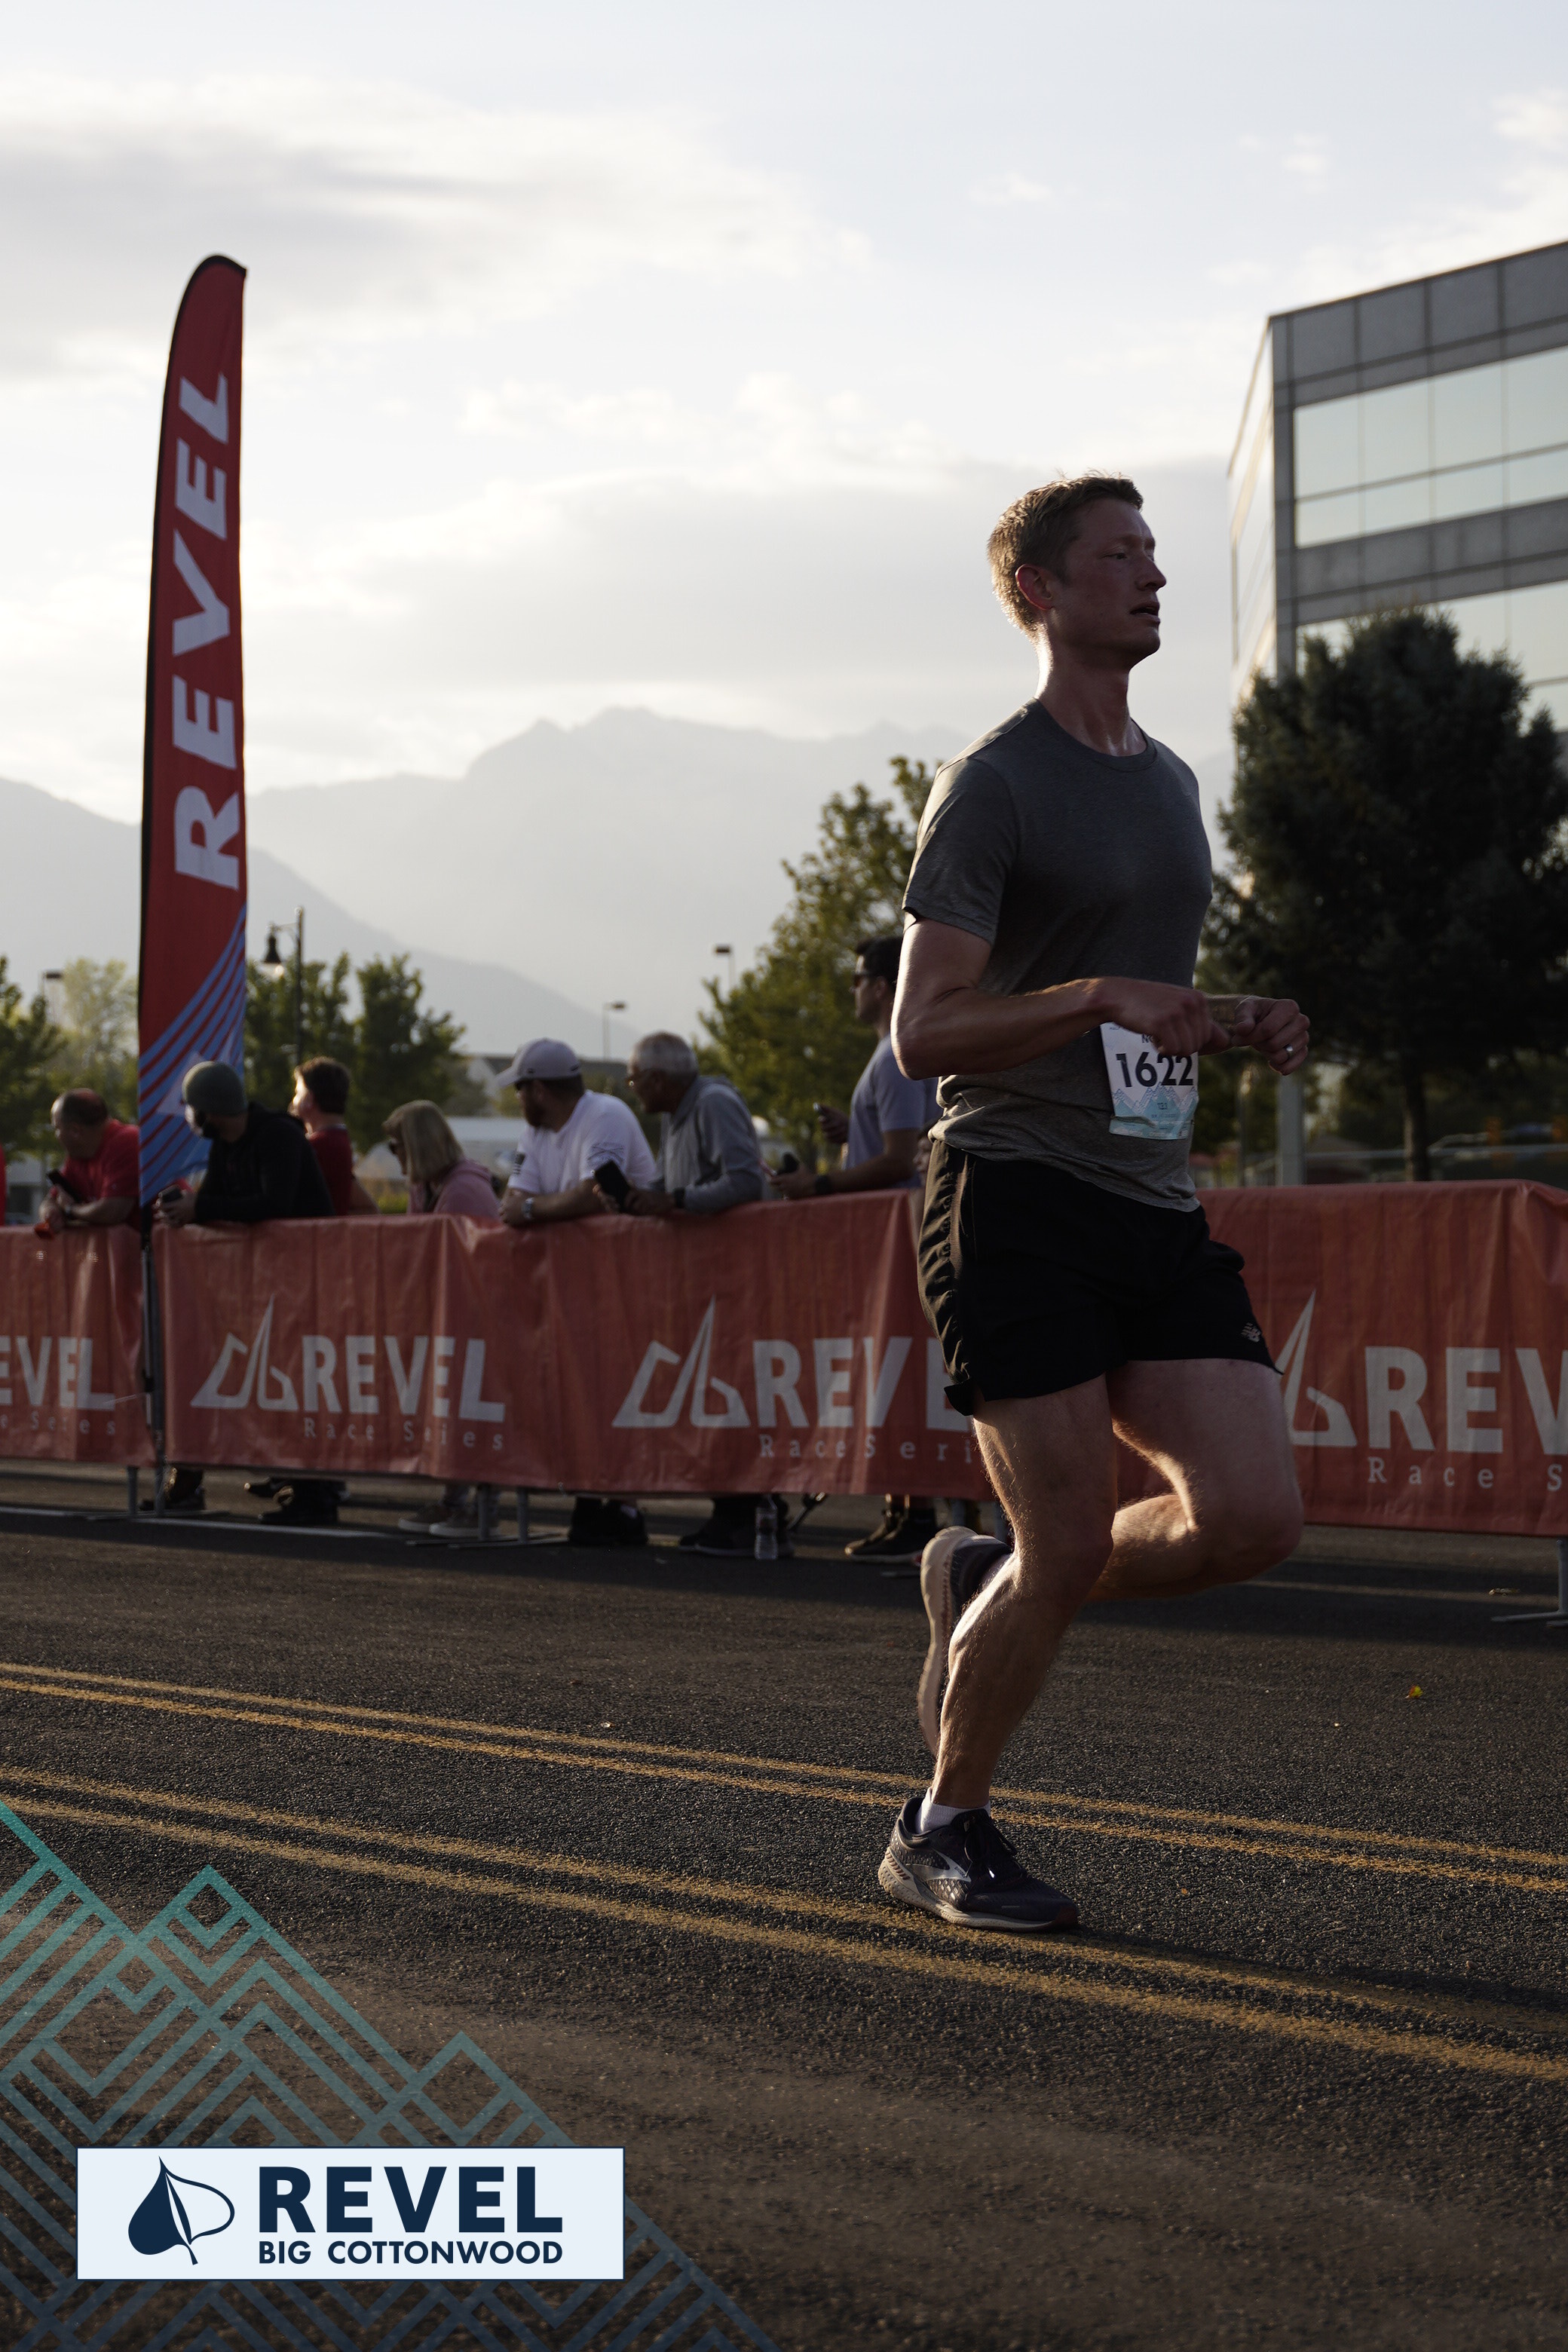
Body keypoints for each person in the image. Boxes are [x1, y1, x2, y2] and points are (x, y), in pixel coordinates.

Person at [879, 474, 1309, 1934]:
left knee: (1251, 1518)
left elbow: (1138, 1002)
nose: (1152, 574)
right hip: (1011, 1190)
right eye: (1118, 555)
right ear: (1041, 593)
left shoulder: (1170, 782)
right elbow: (924, 1034)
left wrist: (1230, 1016)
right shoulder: (993, 784)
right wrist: (1096, 996)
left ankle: (985, 1583)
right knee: (1067, 1545)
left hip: (1149, 1193)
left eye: (1153, 552)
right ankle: (941, 1825)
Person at [772, 935, 940, 1563]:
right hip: (894, 1237)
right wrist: (854, 1134)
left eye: (857, 978)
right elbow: (898, 1144)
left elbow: (898, 1160)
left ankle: (917, 1513)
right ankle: (903, 1510)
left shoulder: (897, 1052)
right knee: (894, 1372)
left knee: (902, 1370)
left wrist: (816, 1185)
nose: (852, 989)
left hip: (899, 1239)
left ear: (883, 986)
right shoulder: (893, 1051)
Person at [616, 1033, 781, 1558]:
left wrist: (677, 1200)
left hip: (735, 1278)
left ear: (658, 1079)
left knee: (734, 1391)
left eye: (634, 1081)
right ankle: (730, 1511)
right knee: (715, 1394)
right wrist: (636, 1199)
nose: (633, 1090)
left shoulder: (713, 1104)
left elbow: (745, 1183)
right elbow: (672, 1184)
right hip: (702, 1280)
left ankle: (749, 1513)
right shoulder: (676, 1113)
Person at [155, 1060, 338, 1525]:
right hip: (258, 1287)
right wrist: (188, 1210)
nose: (190, 1117)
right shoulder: (225, 1145)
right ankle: (276, 1479)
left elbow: (273, 1203)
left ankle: (315, 1495)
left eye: (193, 1108)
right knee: (263, 1383)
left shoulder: (278, 1135)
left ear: (210, 1109)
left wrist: (200, 1208)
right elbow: (218, 1200)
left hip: (305, 1280)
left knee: (299, 1385)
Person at [499, 1039, 657, 1547]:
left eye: (520, 1089)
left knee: (622, 1388)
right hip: (581, 1288)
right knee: (585, 1390)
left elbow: (593, 1194)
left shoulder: (604, 1115)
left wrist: (532, 1211)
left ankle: (624, 1504)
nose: (517, 1099)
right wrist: (532, 1208)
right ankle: (592, 1495)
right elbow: (513, 1199)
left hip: (630, 1281)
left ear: (539, 1090)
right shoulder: (537, 1130)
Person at [384, 1100, 501, 1539]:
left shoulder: (463, 1190)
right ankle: (454, 1500)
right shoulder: (427, 1187)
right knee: (451, 1408)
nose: (394, 1155)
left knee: (476, 1411)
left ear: (415, 1145)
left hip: (478, 1316)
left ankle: (483, 1507)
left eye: (396, 1146)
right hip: (449, 1314)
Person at [37, 1091, 140, 1233]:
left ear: (75, 1131)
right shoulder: (80, 1154)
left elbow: (112, 1212)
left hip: (155, 1244)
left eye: (57, 1128)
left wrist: (70, 1209)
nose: (57, 1136)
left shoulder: (126, 1141)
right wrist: (51, 1212)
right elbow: (53, 1198)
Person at [289, 1058, 377, 1216]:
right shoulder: (338, 1140)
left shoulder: (318, 1146)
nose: (293, 1102)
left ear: (309, 1099)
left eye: (298, 1093)